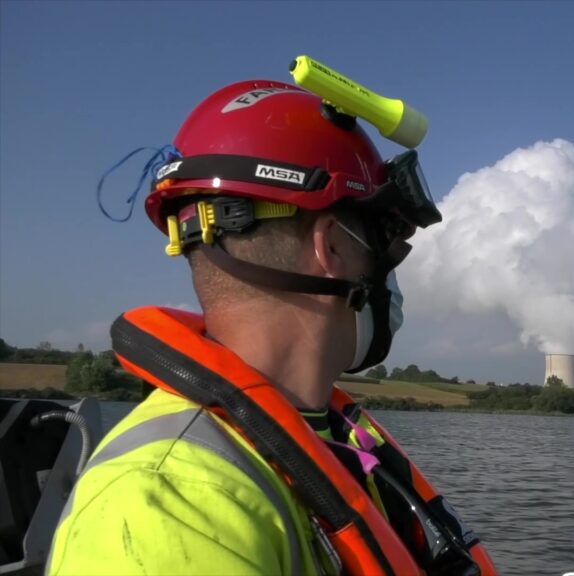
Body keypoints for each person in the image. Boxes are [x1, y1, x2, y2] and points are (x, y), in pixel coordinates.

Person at [47, 80, 496, 575]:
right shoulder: (169, 506)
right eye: (386, 244)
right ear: (334, 248)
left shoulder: (332, 440)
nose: (391, 272)